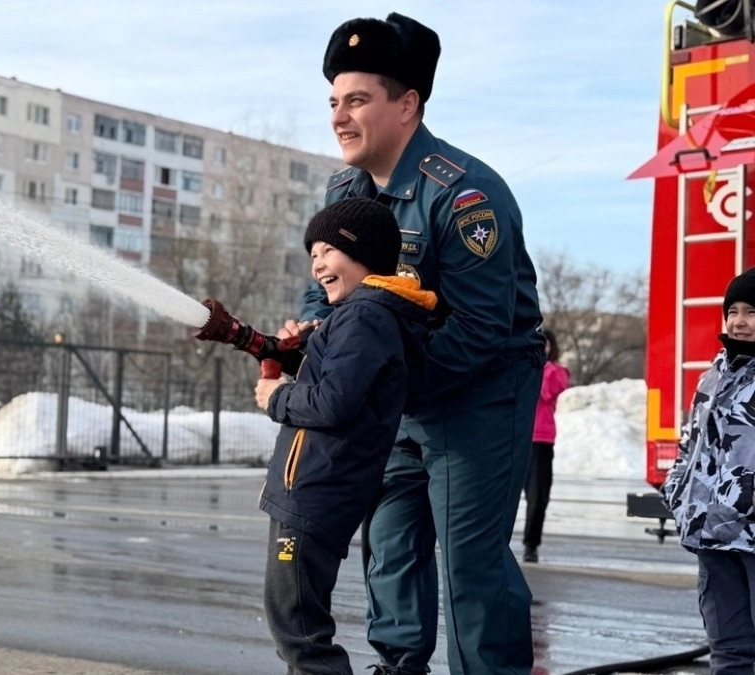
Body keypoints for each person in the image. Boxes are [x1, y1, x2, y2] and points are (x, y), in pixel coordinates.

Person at [289, 12, 546, 675]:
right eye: (333, 102)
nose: (339, 118)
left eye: (357, 100)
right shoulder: (345, 189)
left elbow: (481, 329)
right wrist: (312, 336)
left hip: (480, 390)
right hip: (399, 389)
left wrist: (377, 380)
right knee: (390, 542)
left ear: (407, 105)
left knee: (469, 559)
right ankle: (400, 666)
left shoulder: (463, 194)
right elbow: (325, 288)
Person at [254, 197, 436, 675]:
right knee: (296, 623)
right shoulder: (361, 316)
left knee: (299, 630)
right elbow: (341, 380)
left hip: (314, 492)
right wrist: (301, 352)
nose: (316, 264)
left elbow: (334, 402)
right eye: (312, 254)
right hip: (312, 489)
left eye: (327, 250)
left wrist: (276, 396)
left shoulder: (365, 316)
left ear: (364, 252)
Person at [663, 268, 755, 675]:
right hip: (714, 536)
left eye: (751, 312)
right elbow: (691, 444)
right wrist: (677, 489)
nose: (739, 321)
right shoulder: (713, 376)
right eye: (732, 311)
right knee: (729, 650)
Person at [523, 329, 570, 564]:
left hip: (540, 440)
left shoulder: (556, 372)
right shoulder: (520, 366)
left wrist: (538, 364)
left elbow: (547, 391)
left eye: (546, 344)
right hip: (516, 437)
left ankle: (531, 544)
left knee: (538, 496)